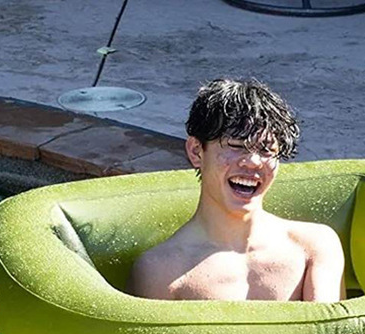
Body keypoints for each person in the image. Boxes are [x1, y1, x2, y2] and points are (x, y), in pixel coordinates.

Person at [128, 79, 344, 302]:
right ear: (196, 151)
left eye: (266, 150)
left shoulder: (313, 247)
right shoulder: (161, 270)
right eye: (236, 146)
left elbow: (331, 324)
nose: (253, 162)